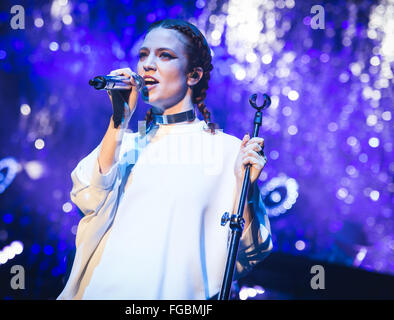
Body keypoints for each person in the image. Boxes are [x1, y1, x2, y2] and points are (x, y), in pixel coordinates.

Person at [58, 19, 272, 300]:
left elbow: (250, 250)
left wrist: (247, 191)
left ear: (193, 75)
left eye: (164, 55)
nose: (147, 64)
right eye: (143, 55)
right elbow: (88, 198)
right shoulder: (125, 143)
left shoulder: (228, 152)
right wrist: (119, 121)